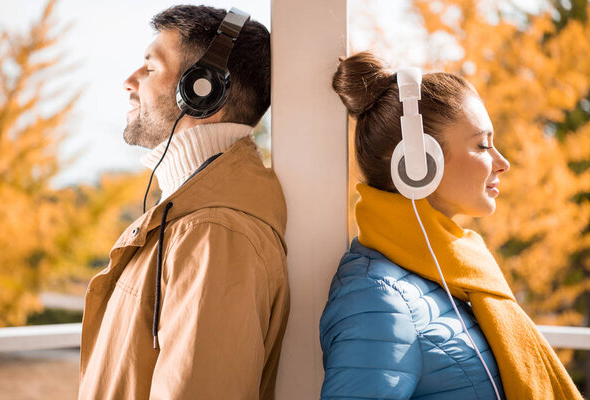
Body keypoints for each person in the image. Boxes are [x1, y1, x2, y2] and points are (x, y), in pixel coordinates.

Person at [319, 52, 582, 399]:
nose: (502, 162)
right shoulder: (377, 296)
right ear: (418, 163)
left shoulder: (453, 273)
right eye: (482, 144)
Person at [78, 5, 289, 400]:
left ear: (202, 90)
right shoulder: (190, 218)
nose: (129, 82)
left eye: (150, 68)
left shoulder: (215, 236)